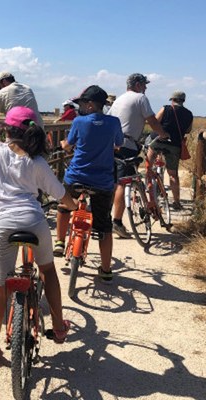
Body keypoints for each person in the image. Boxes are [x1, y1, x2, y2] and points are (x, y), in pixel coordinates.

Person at [0, 106, 76, 366]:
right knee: (47, 269)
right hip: (33, 220)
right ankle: (58, 327)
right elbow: (59, 194)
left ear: (7, 130)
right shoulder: (37, 162)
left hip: (3, 223)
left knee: (0, 285)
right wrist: (74, 206)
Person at [53, 85, 124, 284]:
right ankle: (106, 269)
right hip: (102, 180)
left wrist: (63, 146)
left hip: (77, 176)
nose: (81, 107)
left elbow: (68, 145)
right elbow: (118, 143)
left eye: (83, 103)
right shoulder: (113, 122)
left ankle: (59, 242)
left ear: (91, 105)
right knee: (103, 225)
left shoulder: (79, 121)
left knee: (64, 204)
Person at [108, 73, 169, 238]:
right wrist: (163, 134)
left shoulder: (119, 100)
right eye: (144, 84)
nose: (146, 88)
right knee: (123, 182)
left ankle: (106, 218)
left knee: (112, 182)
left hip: (111, 145)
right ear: (137, 84)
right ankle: (117, 222)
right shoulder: (140, 98)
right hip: (127, 145)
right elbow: (152, 121)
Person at [147, 91, 193, 210]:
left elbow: (155, 121)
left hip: (158, 140)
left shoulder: (166, 108)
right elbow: (188, 130)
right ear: (183, 100)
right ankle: (177, 202)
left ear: (172, 99)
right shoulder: (189, 114)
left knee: (148, 164)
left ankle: (149, 192)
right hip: (174, 144)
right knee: (173, 175)